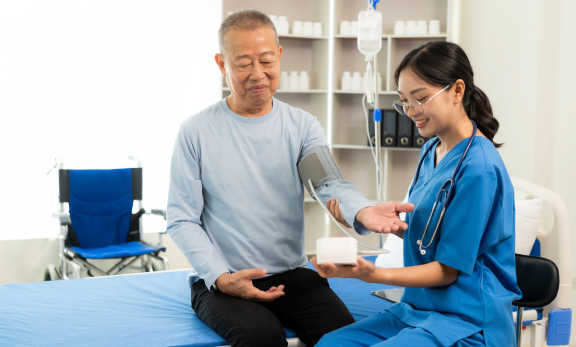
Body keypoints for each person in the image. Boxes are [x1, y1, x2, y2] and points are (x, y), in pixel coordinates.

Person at [166, 9, 413, 347]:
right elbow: (181, 219)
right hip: (226, 280)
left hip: (293, 276)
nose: (257, 75)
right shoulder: (195, 132)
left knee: (343, 337)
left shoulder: (302, 126)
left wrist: (362, 211)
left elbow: (328, 183)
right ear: (222, 65)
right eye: (242, 64)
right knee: (261, 337)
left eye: (266, 60)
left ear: (279, 56)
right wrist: (220, 278)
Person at [313, 41, 522, 347]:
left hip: (468, 322)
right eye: (404, 102)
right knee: (329, 344)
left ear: (458, 91)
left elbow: (447, 269)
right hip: (419, 310)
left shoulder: (479, 168)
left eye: (421, 99)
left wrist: (372, 275)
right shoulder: (430, 150)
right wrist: (375, 222)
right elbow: (431, 237)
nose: (412, 112)